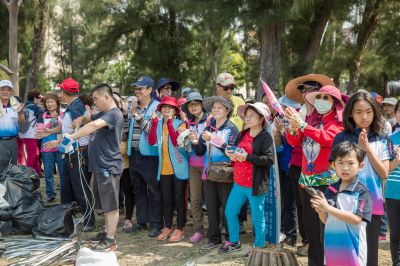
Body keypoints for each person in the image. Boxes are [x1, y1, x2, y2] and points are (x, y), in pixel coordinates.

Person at [331, 91, 394, 266]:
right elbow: (335, 170)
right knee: (347, 253)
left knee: (369, 255)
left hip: (372, 204)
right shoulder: (341, 137)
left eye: (368, 111)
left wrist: (367, 150)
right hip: (344, 203)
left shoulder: (383, 138)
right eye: (358, 112)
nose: (364, 116)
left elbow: (384, 173)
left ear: (375, 112)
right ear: (350, 113)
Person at [285, 85, 345, 266]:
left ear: (335, 103)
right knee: (311, 228)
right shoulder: (311, 120)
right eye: (319, 97)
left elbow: (327, 138)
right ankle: (314, 262)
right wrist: (293, 127)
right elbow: (294, 141)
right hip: (306, 180)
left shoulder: (338, 124)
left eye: (326, 98)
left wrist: (302, 125)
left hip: (327, 182)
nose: (321, 101)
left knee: (325, 227)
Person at [62, 83, 124, 251]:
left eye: (96, 99)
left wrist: (71, 137)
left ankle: (111, 239)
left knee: (111, 205)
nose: (94, 102)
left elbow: (93, 126)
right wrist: (83, 118)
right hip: (99, 165)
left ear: (107, 97)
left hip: (108, 165)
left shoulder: (113, 114)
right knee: (104, 203)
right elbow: (90, 119)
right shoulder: (104, 112)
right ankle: (105, 232)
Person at [219, 102, 274, 254]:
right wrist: (232, 154)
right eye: (246, 116)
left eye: (252, 116)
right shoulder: (243, 133)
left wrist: (247, 157)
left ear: (261, 118)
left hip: (255, 185)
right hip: (238, 182)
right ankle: (234, 241)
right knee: (230, 212)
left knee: (257, 217)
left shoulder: (265, 138)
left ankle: (259, 246)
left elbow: (269, 160)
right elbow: (237, 150)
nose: (247, 118)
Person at [44, 78, 95, 231]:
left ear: (65, 93)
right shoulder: (72, 106)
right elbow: (68, 129)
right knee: (67, 188)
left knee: (80, 188)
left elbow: (78, 133)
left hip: (79, 153)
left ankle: (89, 220)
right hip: (70, 153)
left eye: (61, 91)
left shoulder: (77, 107)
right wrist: (51, 132)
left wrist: (58, 143)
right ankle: (68, 219)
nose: (59, 94)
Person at [311, 141, 372, 266]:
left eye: (350, 163)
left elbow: (356, 219)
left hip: (353, 250)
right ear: (333, 165)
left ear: (360, 166)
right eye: (340, 163)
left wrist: (327, 207)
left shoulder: (362, 191)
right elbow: (326, 220)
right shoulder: (330, 189)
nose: (345, 168)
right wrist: (321, 210)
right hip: (331, 247)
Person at [191, 96, 239, 250]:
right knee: (211, 206)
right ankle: (214, 237)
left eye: (220, 107)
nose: (216, 110)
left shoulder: (232, 128)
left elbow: (232, 151)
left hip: (225, 173)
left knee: (227, 208)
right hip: (210, 173)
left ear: (227, 110)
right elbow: (200, 152)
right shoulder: (208, 127)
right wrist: (195, 142)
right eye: (214, 107)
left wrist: (214, 139)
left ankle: (231, 238)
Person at [148, 96, 189, 242]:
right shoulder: (157, 124)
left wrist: (170, 124)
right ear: (160, 109)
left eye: (170, 107)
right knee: (166, 200)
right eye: (164, 106)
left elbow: (176, 142)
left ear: (175, 110)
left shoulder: (181, 124)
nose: (167, 109)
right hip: (164, 168)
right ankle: (167, 227)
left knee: (179, 199)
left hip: (180, 168)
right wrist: (153, 125)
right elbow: (152, 141)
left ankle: (180, 228)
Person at [127, 76, 163, 237]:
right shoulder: (132, 107)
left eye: (141, 88)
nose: (137, 91)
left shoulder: (157, 108)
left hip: (150, 156)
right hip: (134, 154)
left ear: (150, 90)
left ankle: (156, 223)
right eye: (136, 88)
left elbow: (151, 130)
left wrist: (135, 114)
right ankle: (142, 220)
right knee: (138, 189)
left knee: (154, 190)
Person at [180, 91, 209, 243]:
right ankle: (198, 229)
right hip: (192, 165)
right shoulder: (188, 122)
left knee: (211, 199)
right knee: (196, 199)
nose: (194, 107)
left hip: (207, 165)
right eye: (190, 105)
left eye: (196, 103)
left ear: (202, 104)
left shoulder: (209, 119)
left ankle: (215, 228)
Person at [35, 93, 63, 202]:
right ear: (45, 104)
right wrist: (53, 122)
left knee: (63, 172)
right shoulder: (42, 115)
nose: (50, 104)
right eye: (48, 102)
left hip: (61, 147)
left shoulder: (63, 114)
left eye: (52, 101)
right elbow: (40, 130)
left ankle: (65, 193)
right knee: (48, 173)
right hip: (46, 148)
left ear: (57, 102)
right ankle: (50, 194)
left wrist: (56, 122)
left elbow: (63, 129)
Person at [0, 80, 25, 173]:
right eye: (2, 89)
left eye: (8, 90)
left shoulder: (16, 105)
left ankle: (10, 187)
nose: (5, 92)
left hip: (13, 141)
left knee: (12, 168)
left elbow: (22, 122)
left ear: (11, 92)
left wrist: (19, 113)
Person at [18, 89, 43, 175]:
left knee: (32, 154)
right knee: (32, 155)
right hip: (31, 135)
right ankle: (27, 175)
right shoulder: (36, 108)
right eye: (39, 98)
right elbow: (42, 118)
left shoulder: (23, 105)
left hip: (20, 133)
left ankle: (37, 172)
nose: (40, 100)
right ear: (35, 98)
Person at [386, 128, 400, 266]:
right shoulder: (390, 138)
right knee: (395, 233)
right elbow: (386, 168)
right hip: (393, 192)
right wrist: (397, 161)